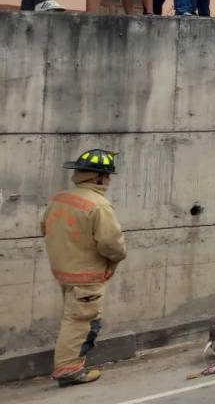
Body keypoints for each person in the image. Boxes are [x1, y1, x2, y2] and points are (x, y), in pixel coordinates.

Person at [43, 149, 126, 386]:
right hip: (87, 275)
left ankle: (69, 366)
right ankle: (69, 370)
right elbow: (112, 244)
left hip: (63, 271)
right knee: (81, 323)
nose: (108, 181)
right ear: (98, 177)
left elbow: (45, 228)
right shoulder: (99, 205)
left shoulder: (60, 199)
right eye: (107, 176)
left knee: (73, 318)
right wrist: (115, 260)